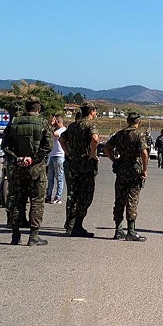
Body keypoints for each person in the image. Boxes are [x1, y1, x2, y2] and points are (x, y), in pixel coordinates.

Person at [0, 97, 51, 246]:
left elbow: (5, 146)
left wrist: (17, 159)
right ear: (38, 108)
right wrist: (32, 159)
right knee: (36, 201)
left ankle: (15, 236)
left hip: (18, 169)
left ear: (26, 107)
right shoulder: (42, 123)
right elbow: (48, 146)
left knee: (17, 201)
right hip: (36, 169)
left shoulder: (14, 122)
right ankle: (33, 237)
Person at [103, 112, 149, 242]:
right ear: (138, 122)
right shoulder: (139, 134)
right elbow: (144, 153)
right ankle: (131, 231)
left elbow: (106, 148)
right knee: (132, 201)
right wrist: (145, 170)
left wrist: (115, 160)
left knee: (119, 200)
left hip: (121, 170)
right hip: (134, 171)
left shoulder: (120, 134)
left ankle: (118, 230)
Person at [60, 100, 100, 237]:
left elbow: (61, 139)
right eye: (95, 111)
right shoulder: (90, 125)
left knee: (74, 194)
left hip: (74, 163)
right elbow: (95, 139)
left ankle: (70, 225)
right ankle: (77, 226)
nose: (96, 113)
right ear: (91, 112)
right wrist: (93, 154)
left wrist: (69, 153)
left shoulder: (73, 125)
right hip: (86, 163)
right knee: (86, 195)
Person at [46, 115, 67, 204]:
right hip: (52, 155)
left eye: (55, 122)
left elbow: (55, 135)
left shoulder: (63, 130)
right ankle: (48, 195)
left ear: (58, 122)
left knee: (59, 177)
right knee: (50, 178)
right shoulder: (54, 129)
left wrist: (50, 125)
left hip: (59, 156)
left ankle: (58, 197)